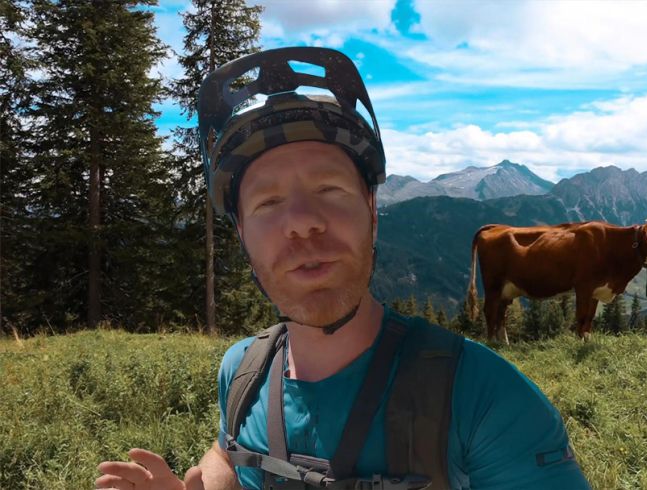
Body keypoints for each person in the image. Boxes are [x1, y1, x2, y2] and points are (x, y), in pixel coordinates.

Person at [95, 47, 591, 490]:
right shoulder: (243, 372)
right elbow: (227, 453)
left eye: (329, 190)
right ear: (242, 233)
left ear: (372, 212)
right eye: (267, 203)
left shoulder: (485, 397)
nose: (302, 223)